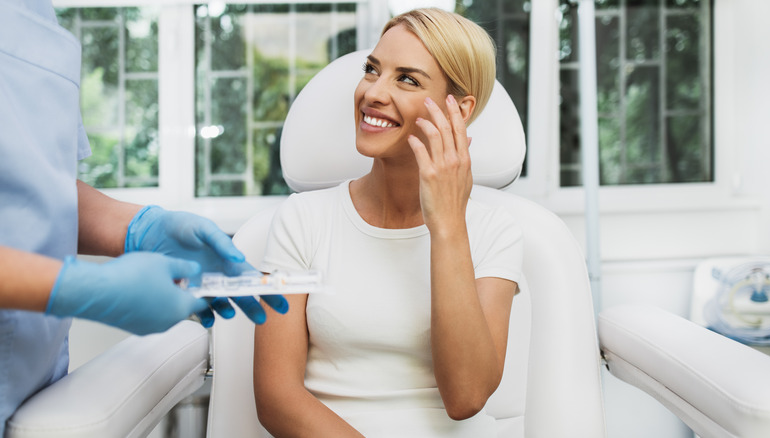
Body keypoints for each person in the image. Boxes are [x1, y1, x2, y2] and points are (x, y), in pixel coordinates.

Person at [0, 0, 288, 433]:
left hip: (32, 391)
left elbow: (35, 192)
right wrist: (80, 288)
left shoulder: (36, 16)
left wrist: (137, 228)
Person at [252, 8, 525, 437]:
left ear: (460, 109)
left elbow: (466, 397)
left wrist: (448, 224)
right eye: (371, 70)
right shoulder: (301, 219)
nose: (373, 93)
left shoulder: (496, 230)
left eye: (407, 79)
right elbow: (276, 397)